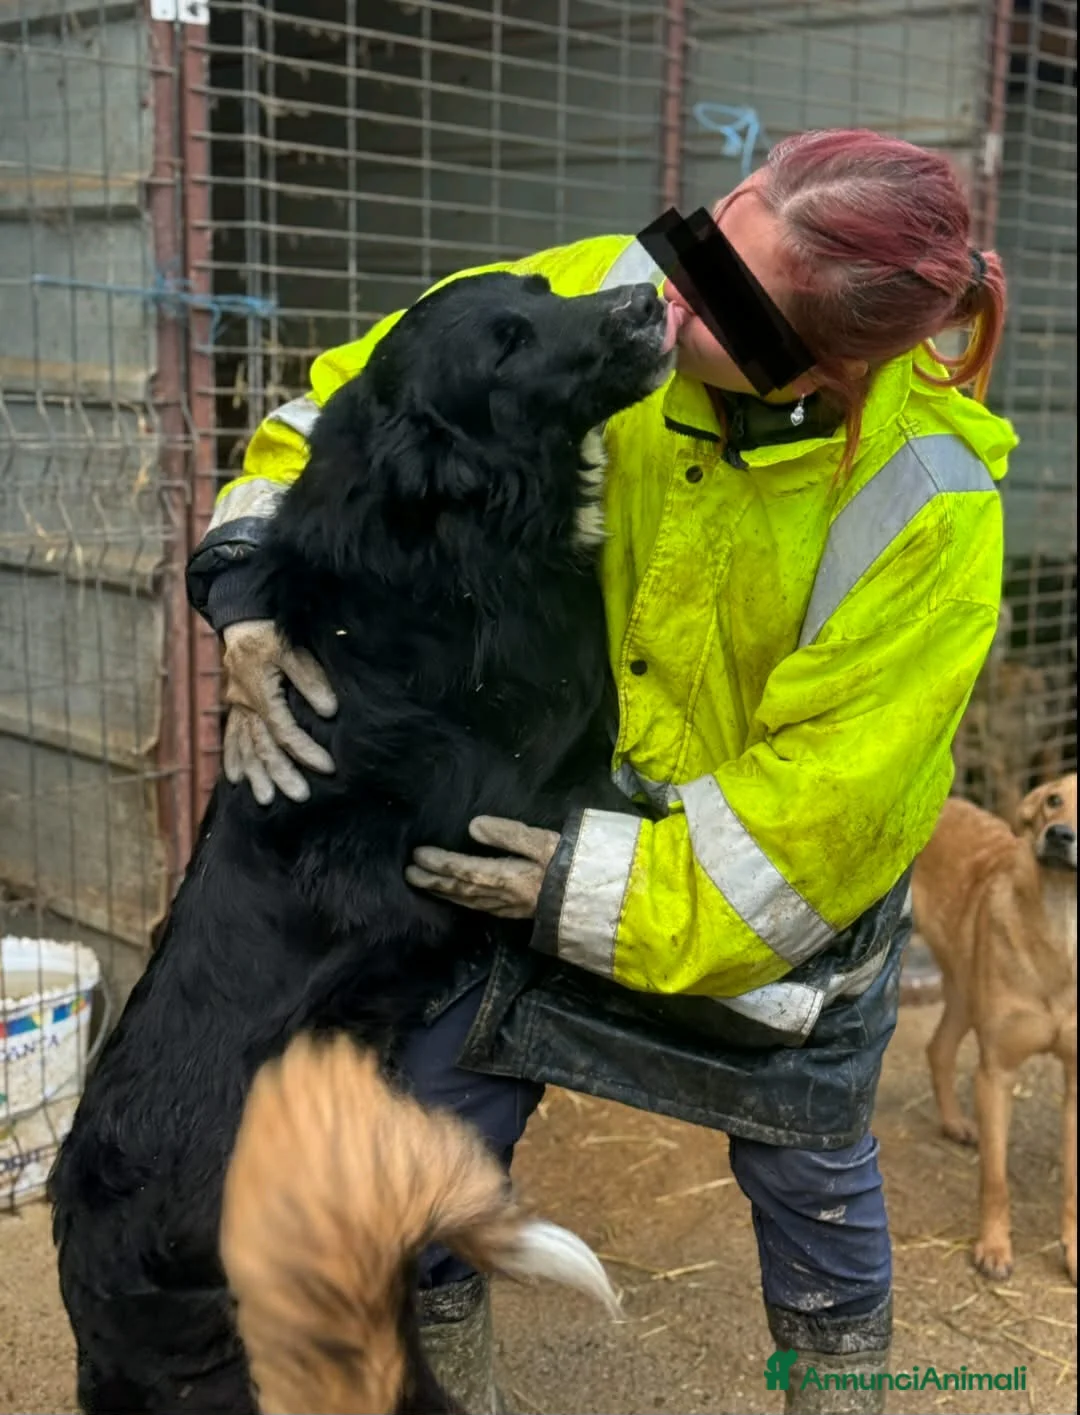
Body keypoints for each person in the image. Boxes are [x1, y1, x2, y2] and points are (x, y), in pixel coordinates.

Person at [186, 129, 1015, 1415]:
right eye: (697, 239)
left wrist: (584, 881)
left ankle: (841, 1383)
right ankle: (448, 1364)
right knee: (440, 1107)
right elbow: (343, 405)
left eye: (724, 300)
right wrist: (248, 585)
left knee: (811, 1169)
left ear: (828, 362)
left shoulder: (930, 506)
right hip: (550, 832)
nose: (665, 291)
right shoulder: (637, 295)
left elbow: (813, 825)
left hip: (759, 908)